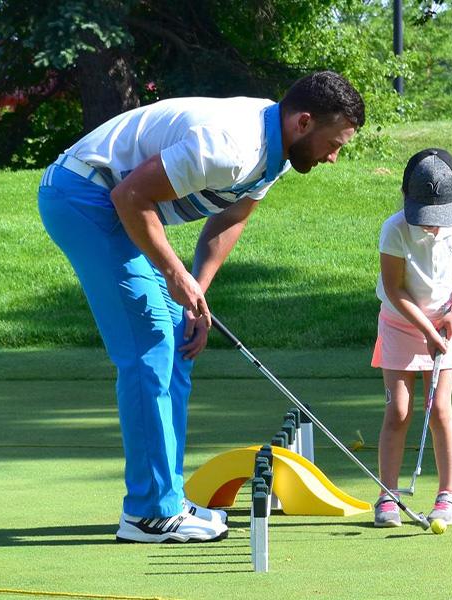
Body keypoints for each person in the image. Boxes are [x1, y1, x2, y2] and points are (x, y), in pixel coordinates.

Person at [37, 72, 364, 543]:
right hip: (84, 195)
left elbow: (231, 215)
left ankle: (166, 497)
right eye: (333, 144)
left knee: (179, 337)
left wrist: (196, 293)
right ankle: (149, 515)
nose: (333, 157)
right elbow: (129, 196)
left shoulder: (278, 153)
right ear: (304, 122)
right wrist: (175, 275)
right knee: (149, 344)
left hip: (114, 203)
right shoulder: (232, 145)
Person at [371, 148, 452, 528]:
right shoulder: (395, 229)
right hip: (402, 322)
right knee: (398, 411)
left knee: (439, 408)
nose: (433, 227)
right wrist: (427, 330)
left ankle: (448, 496)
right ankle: (387, 494)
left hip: (446, 323)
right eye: (426, 220)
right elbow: (394, 288)